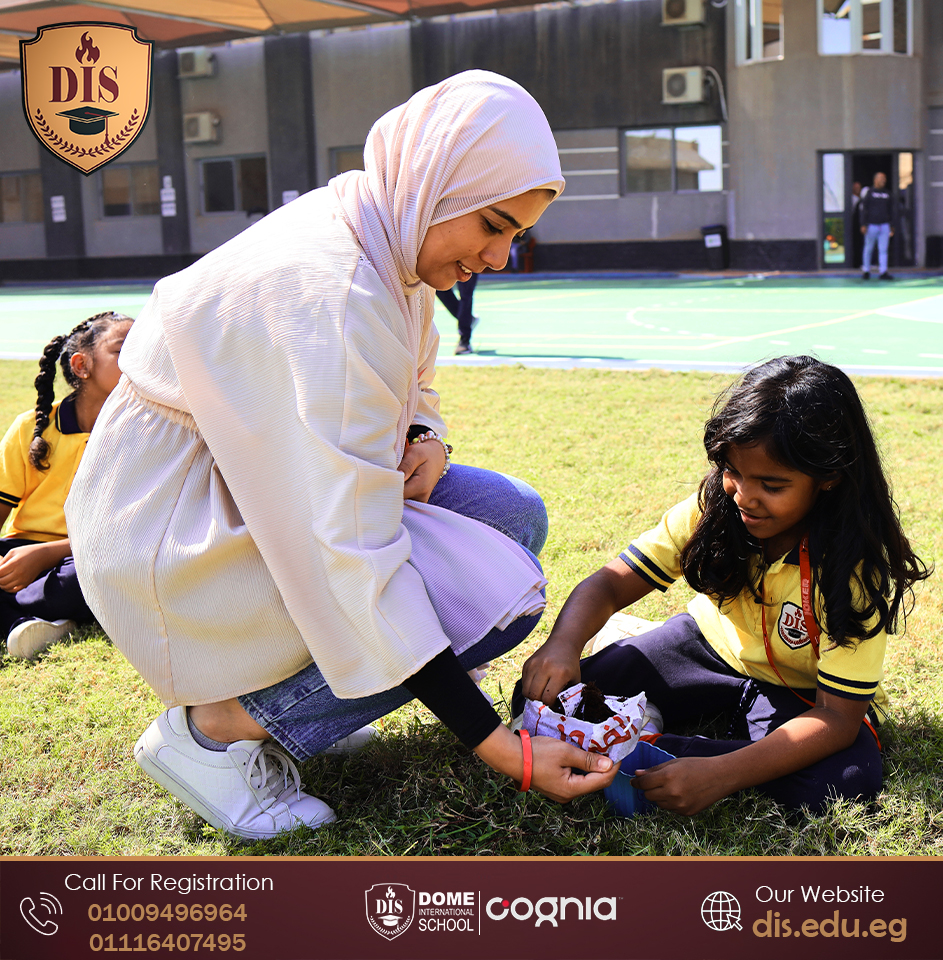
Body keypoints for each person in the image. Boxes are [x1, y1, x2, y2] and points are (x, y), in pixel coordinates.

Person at [65, 71, 617, 840]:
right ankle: (216, 731)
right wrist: (497, 745)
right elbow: (352, 553)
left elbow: (413, 376)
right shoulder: (334, 288)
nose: (498, 255)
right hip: (170, 522)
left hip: (235, 489)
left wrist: (426, 436)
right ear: (438, 181)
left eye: (515, 233)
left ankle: (301, 707)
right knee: (465, 586)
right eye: (492, 224)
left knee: (507, 519)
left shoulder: (388, 225)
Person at [519, 356, 930, 815]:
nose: (743, 496)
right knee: (540, 695)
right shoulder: (713, 509)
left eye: (772, 484)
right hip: (706, 648)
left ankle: (662, 745)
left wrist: (722, 775)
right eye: (732, 470)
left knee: (843, 781)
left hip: (799, 694)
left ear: (829, 477)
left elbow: (836, 718)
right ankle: (658, 721)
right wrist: (563, 644)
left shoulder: (852, 569)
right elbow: (610, 584)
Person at [1, 312, 132, 659]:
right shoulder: (32, 427)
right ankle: (25, 623)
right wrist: (25, 555)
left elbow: (129, 530)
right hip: (17, 550)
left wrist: (45, 553)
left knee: (97, 577)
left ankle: (16, 617)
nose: (140, 356)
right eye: (123, 349)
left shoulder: (144, 432)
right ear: (81, 365)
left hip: (86, 556)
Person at [860, 172, 895, 280]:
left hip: (884, 226)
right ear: (875, 180)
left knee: (883, 249)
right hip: (871, 226)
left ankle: (883, 271)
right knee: (868, 248)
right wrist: (863, 224)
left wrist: (891, 225)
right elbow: (864, 209)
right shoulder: (869, 193)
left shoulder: (888, 194)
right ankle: (866, 270)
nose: (883, 180)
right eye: (881, 178)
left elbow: (891, 210)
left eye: (884, 178)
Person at [436, 272, 479, 355]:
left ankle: (464, 340)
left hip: (469, 260)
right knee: (438, 287)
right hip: (449, 259)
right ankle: (468, 320)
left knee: (465, 294)